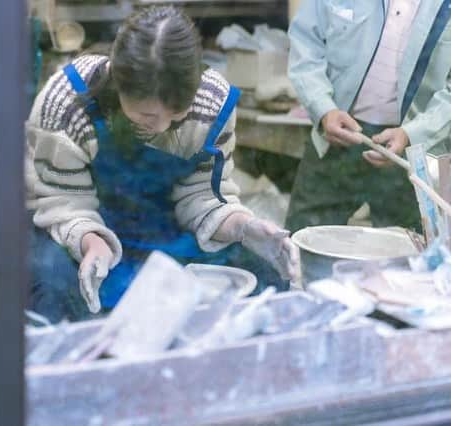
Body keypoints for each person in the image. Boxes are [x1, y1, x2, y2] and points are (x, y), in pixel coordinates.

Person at [26, 6, 300, 322]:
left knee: (267, 275)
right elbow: (63, 201)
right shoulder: (67, 100)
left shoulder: (212, 101)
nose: (160, 127)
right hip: (93, 233)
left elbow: (203, 196)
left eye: (176, 114)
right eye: (146, 115)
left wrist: (244, 227)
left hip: (168, 233)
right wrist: (90, 242)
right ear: (118, 82)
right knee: (48, 282)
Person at [286, 0, 451, 233]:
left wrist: (412, 134)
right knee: (303, 245)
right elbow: (306, 43)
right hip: (337, 136)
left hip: (413, 152)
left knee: (406, 259)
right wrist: (323, 109)